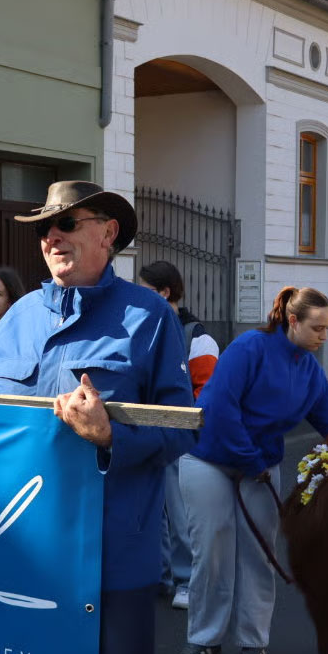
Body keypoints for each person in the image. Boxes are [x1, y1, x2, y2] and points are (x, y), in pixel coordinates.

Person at [0, 181, 194, 654]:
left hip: (115, 550)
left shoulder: (148, 317)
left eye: (68, 224)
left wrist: (113, 437)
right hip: (33, 549)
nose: (52, 237)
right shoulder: (16, 318)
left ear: (108, 233)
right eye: (44, 228)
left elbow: (179, 428)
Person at [174, 286, 328, 654]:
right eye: (318, 328)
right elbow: (220, 408)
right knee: (212, 549)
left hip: (259, 466)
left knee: (260, 551)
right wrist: (250, 460)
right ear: (293, 321)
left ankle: (253, 642)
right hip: (209, 457)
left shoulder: (310, 372)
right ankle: (204, 639)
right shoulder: (250, 347)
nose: (324, 336)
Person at [136, 260, 219, 609]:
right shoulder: (146, 330)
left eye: (145, 290)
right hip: (149, 432)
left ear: (164, 292)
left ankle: (186, 580)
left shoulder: (197, 338)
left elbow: (206, 393)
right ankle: (162, 576)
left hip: (180, 438)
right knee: (154, 511)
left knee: (181, 514)